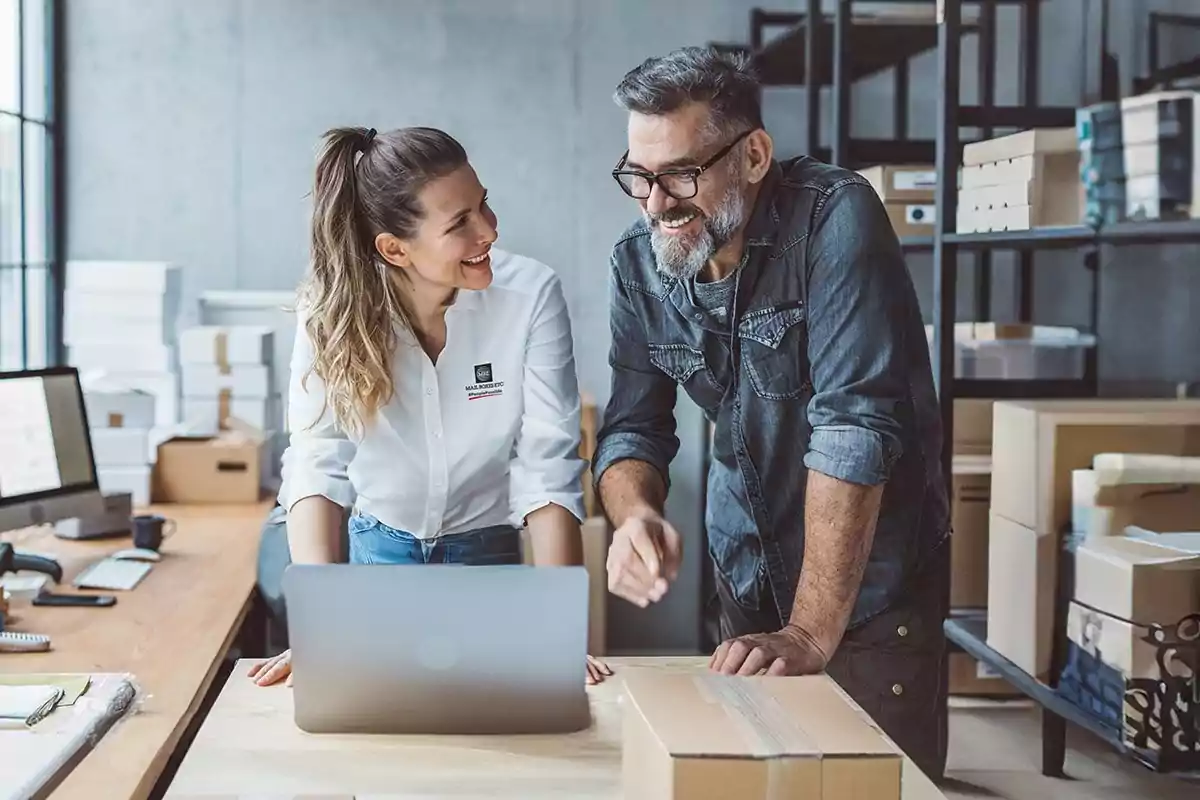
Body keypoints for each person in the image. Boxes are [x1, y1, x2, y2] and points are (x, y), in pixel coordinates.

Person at [594, 47, 952, 780]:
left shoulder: (835, 219)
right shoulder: (638, 261)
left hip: (872, 586)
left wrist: (811, 631)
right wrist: (635, 514)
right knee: (760, 781)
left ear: (753, 155)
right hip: (747, 575)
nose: (656, 203)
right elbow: (633, 427)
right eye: (639, 176)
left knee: (883, 787)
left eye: (681, 174)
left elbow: (854, 427)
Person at [248, 125, 611, 687]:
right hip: (377, 559)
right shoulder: (331, 312)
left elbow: (548, 465)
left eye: (483, 204)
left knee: (504, 740)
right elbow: (318, 462)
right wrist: (317, 626)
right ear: (395, 249)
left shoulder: (530, 295)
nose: (489, 229)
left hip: (489, 559)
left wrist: (560, 628)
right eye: (459, 223)